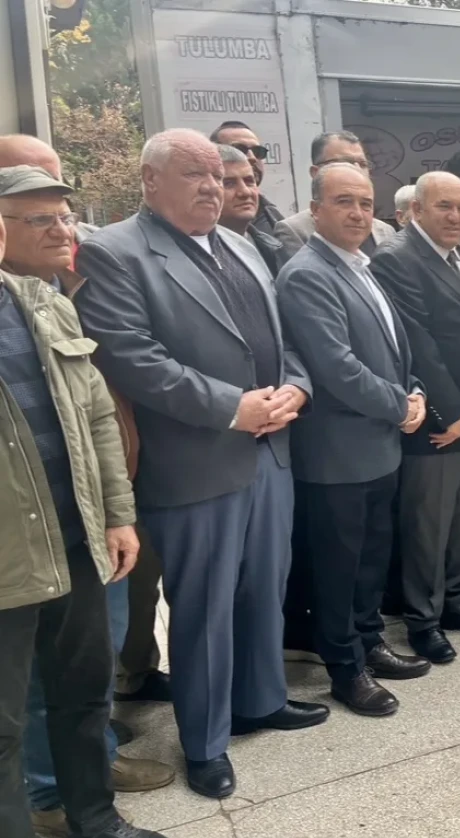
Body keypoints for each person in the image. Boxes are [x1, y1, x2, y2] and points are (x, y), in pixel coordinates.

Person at [75, 129, 328, 800]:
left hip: (270, 450)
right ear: (150, 181)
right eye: (197, 174)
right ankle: (207, 740)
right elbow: (132, 358)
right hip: (196, 464)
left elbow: (282, 341)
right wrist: (229, 408)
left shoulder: (242, 245)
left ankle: (261, 698)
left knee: (262, 590)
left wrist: (298, 385)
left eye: (220, 175)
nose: (215, 187)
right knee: (205, 610)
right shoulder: (115, 252)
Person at [0, 166, 174, 838]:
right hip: (12, 557)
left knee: (82, 695)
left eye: (65, 217)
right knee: (6, 724)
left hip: (77, 539)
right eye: (42, 220)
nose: (63, 231)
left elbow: (98, 419)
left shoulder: (49, 301)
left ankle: (94, 820)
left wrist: (116, 515)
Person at [276, 163, 431, 717]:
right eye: (344, 202)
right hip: (337, 454)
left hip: (377, 448)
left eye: (366, 203)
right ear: (315, 209)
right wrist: (400, 405)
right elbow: (335, 368)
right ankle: (346, 669)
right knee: (338, 570)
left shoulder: (360, 266)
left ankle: (370, 641)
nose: (358, 213)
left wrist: (412, 390)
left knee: (370, 560)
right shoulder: (307, 274)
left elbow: (392, 350)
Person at [372, 171, 460, 663]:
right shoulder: (396, 260)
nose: (455, 217)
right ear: (415, 211)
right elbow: (419, 344)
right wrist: (447, 411)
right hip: (439, 418)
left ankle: (458, 600)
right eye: (443, 208)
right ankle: (423, 620)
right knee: (429, 524)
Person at [274, 131, 396, 261]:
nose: (357, 170)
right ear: (316, 172)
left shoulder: (386, 231)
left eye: (363, 164)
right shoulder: (295, 232)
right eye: (344, 162)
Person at [216, 144, 283, 276]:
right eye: (229, 183)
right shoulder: (201, 256)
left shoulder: (272, 247)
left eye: (249, 181)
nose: (245, 192)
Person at [209, 120, 283, 235]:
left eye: (258, 151)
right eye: (238, 150)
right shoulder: (199, 229)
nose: (252, 158)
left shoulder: (275, 219)